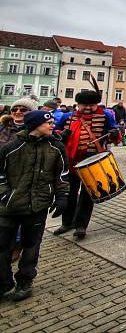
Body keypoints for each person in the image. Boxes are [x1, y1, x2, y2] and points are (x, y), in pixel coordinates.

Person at [0, 111, 68, 301]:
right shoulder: (11, 147)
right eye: (49, 123)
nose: (52, 125)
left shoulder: (56, 147)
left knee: (31, 247)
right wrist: (5, 195)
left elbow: (61, 175)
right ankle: (3, 283)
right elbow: (0, 175)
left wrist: (62, 196)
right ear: (35, 124)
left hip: (37, 206)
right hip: (9, 206)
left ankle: (25, 281)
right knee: (2, 246)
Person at [53, 90, 120, 239]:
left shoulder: (106, 115)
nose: (88, 108)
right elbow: (54, 131)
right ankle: (67, 222)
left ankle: (81, 225)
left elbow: (113, 131)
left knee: (87, 194)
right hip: (71, 159)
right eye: (85, 105)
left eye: (92, 105)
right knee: (70, 192)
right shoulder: (67, 116)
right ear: (78, 104)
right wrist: (60, 134)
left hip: (92, 160)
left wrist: (115, 133)